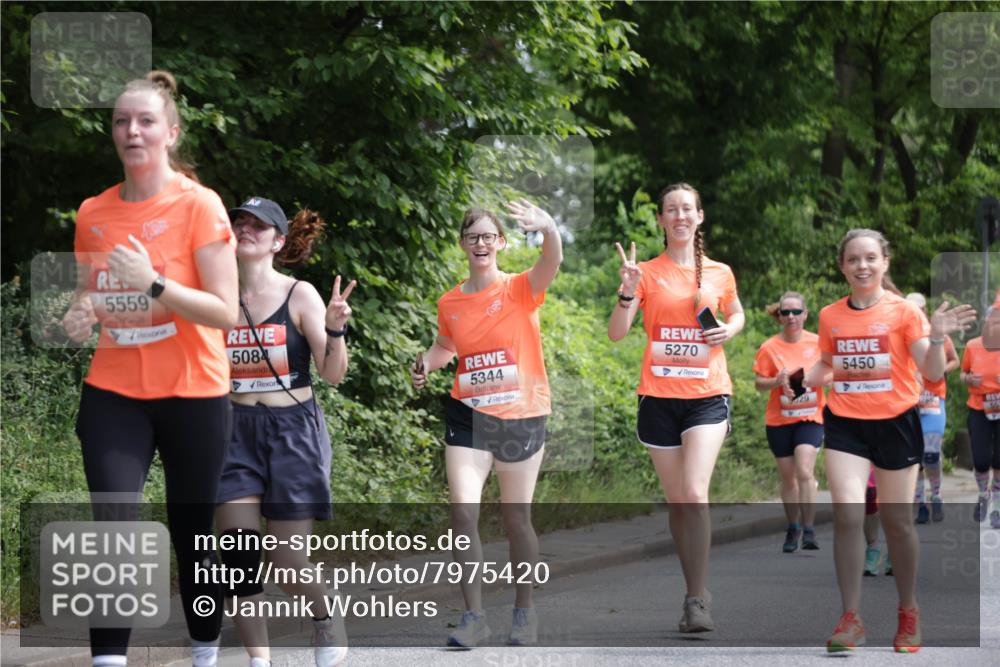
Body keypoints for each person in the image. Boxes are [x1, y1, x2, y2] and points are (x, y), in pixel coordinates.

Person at [61, 71, 239, 667]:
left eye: (144, 121)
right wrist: (82, 312)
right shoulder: (93, 212)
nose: (131, 130)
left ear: (170, 132)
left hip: (194, 391)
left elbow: (226, 313)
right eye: (120, 121)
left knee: (194, 534)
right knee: (113, 525)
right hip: (115, 390)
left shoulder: (200, 205)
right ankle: (107, 660)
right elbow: (98, 295)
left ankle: (205, 652)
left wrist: (156, 283)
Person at [804, 228, 974, 654]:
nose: (862, 266)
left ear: (885, 263)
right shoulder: (829, 316)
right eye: (854, 259)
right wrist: (801, 380)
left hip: (897, 421)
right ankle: (850, 619)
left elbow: (932, 372)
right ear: (842, 266)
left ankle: (908, 610)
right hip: (845, 422)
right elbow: (829, 364)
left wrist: (936, 337)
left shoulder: (904, 314)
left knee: (897, 523)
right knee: (847, 512)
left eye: (870, 258)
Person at [410, 201, 562, 647]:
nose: (480, 243)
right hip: (469, 414)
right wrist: (426, 363)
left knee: (517, 520)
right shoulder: (450, 301)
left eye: (488, 236)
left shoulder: (520, 289)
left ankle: (524, 611)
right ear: (462, 244)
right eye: (472, 236)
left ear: (501, 243)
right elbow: (445, 345)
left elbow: (551, 259)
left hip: (521, 415)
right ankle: (474, 616)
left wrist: (549, 227)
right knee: (463, 512)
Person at [215, 197, 352, 667]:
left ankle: (326, 613)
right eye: (240, 222)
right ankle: (259, 659)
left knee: (288, 562)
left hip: (292, 432)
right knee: (237, 559)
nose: (246, 229)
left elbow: (331, 375)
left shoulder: (300, 295)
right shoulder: (215, 295)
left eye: (259, 226)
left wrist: (334, 332)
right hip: (234, 432)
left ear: (277, 242)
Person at [608, 183, 744, 633]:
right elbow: (617, 333)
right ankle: (695, 589)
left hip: (707, 394)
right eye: (672, 209)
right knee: (676, 501)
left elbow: (737, 312)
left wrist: (731, 329)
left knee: (693, 492)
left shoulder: (720, 272)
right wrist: (627, 291)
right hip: (659, 398)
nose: (680, 215)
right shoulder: (644, 272)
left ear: (699, 216)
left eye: (688, 208)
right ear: (662, 220)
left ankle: (695, 599)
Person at [752, 291, 825, 552]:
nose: (791, 317)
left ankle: (809, 529)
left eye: (796, 312)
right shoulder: (769, 347)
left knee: (805, 470)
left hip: (810, 417)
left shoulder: (818, 343)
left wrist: (813, 379)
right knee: (789, 479)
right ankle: (793, 526)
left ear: (805, 314)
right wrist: (777, 381)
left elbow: (831, 373)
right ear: (779, 317)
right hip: (779, 420)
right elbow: (759, 383)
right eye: (786, 313)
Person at [905, 292, 959, 524]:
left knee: (931, 452)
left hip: (933, 398)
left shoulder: (937, 334)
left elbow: (954, 360)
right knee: (914, 457)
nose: (916, 312)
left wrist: (940, 369)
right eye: (911, 308)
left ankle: (936, 494)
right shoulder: (899, 334)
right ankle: (921, 504)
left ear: (925, 310)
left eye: (919, 308)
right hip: (908, 402)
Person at [960, 304, 1000, 527]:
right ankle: (983, 495)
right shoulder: (973, 346)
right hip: (979, 407)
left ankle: (997, 505)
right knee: (982, 459)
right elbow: (962, 373)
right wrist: (968, 380)